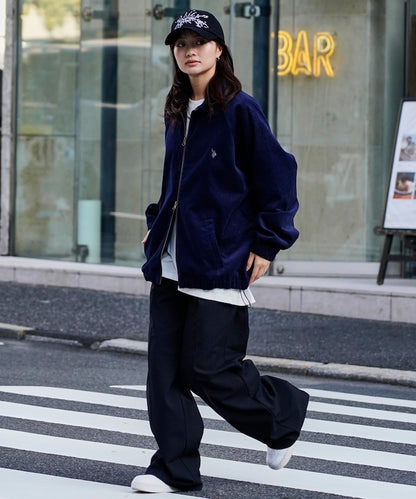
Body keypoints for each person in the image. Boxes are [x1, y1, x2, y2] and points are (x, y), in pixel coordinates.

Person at [131, 9, 309, 494]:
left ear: (218, 49)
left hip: (219, 259)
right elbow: (177, 180)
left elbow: (279, 176)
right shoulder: (177, 109)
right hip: (173, 258)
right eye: (181, 43)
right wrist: (158, 222)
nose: (190, 51)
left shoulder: (239, 109)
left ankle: (281, 416)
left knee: (209, 368)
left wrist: (268, 242)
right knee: (164, 372)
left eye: (199, 42)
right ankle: (174, 469)